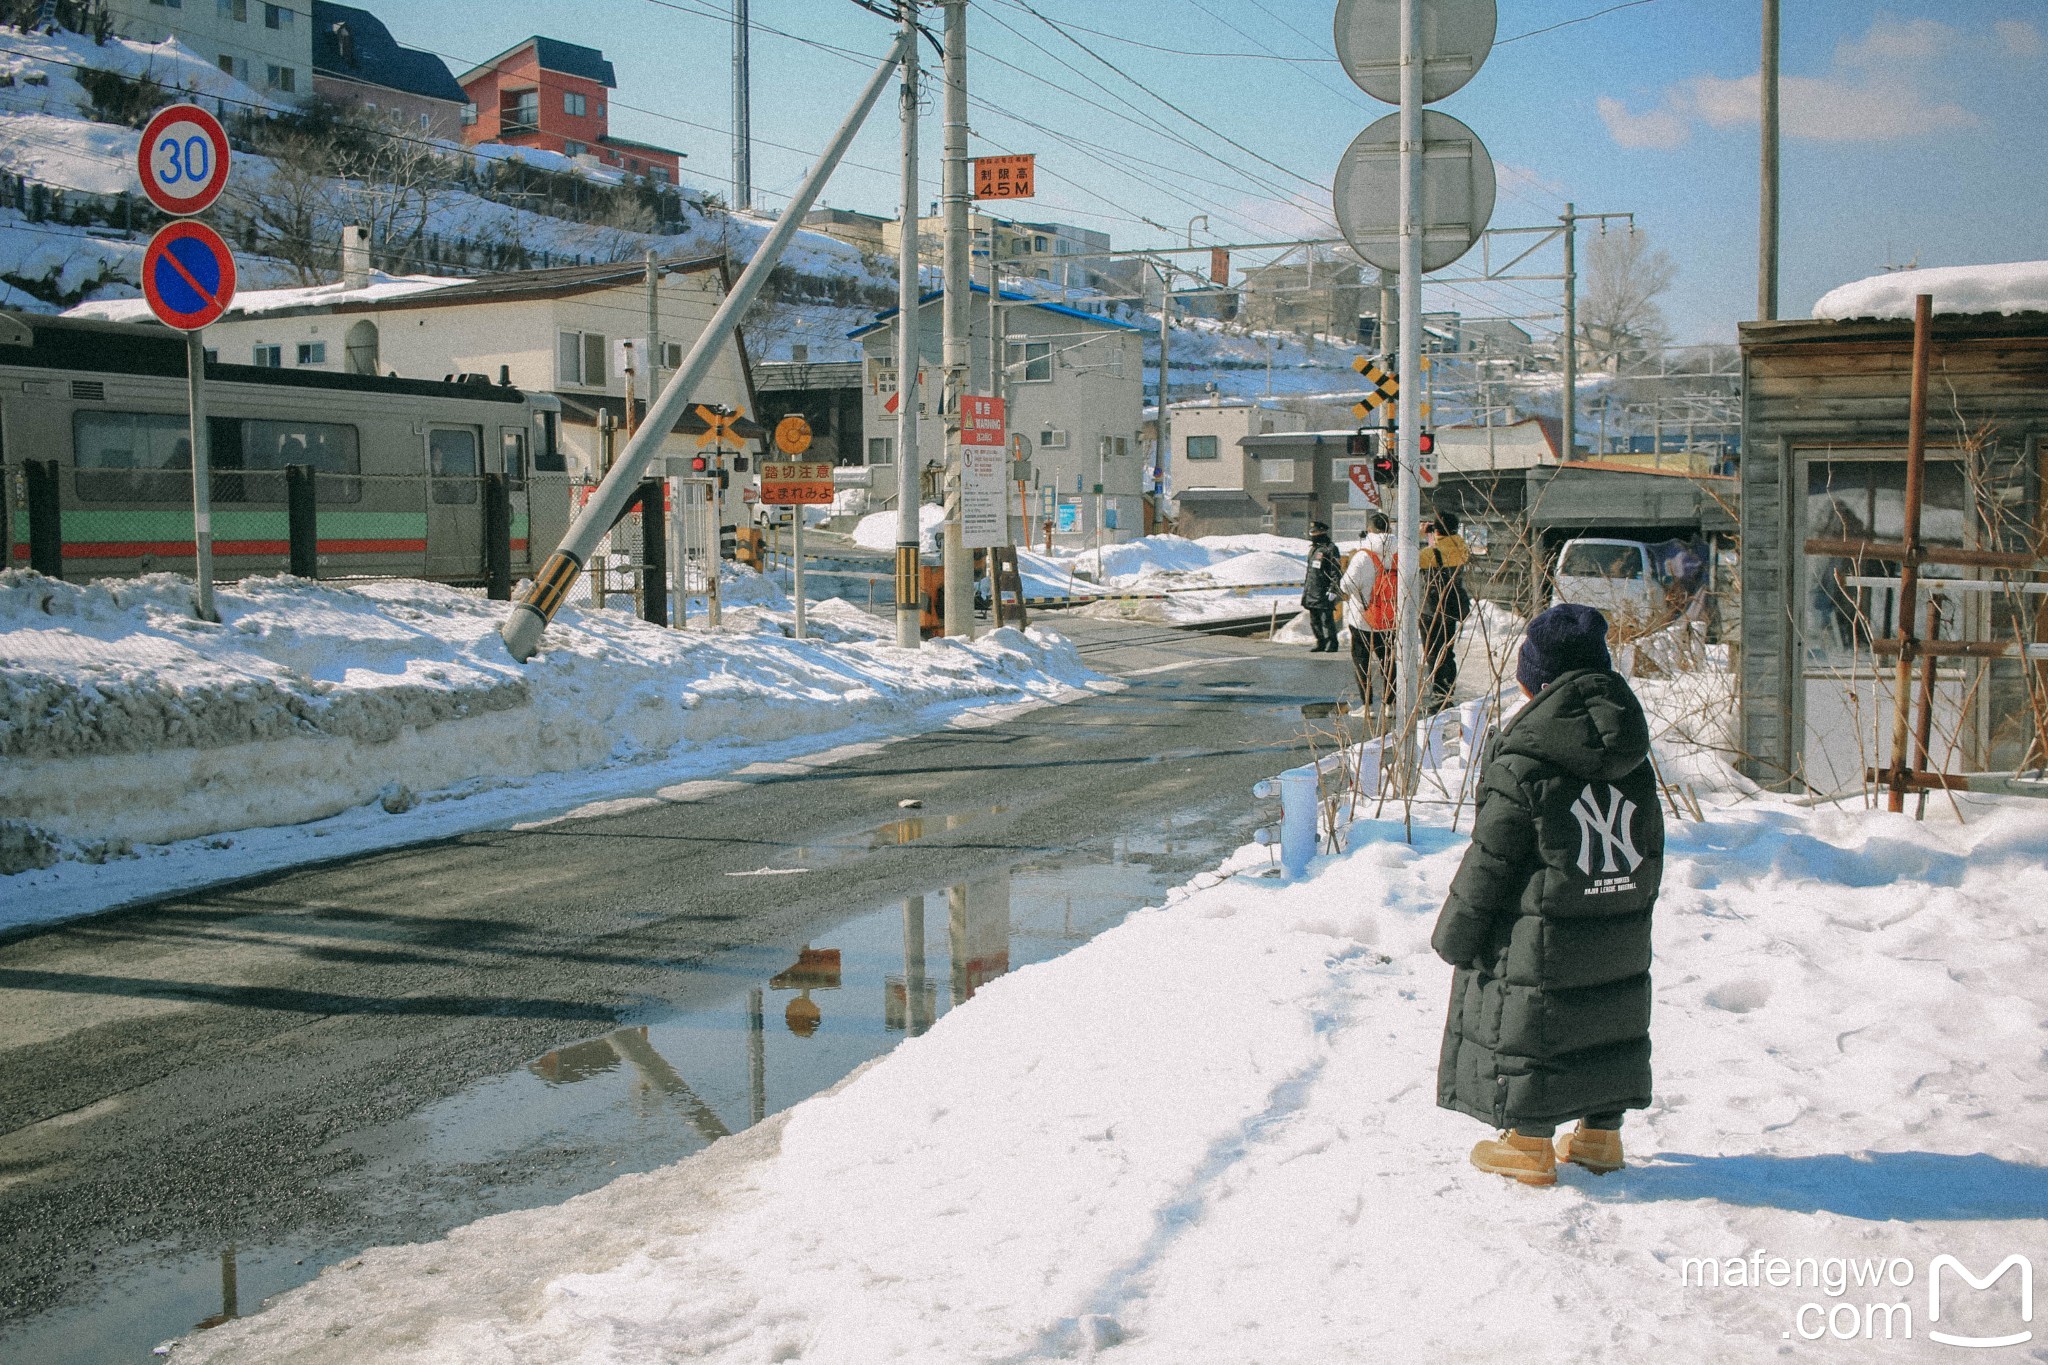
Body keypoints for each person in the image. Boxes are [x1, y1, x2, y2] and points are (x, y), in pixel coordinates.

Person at [1432, 604, 1664, 1187]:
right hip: (1615, 913)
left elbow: (1492, 859)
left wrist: (1456, 933)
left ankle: (1530, 1144)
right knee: (1607, 1015)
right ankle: (1600, 1137)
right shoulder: (1632, 756)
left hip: (1543, 925)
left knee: (1534, 1013)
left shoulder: (1528, 757)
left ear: (1533, 679)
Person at [1338, 513, 1397, 719]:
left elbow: (1346, 585)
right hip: (1390, 618)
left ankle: (1367, 706)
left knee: (1362, 661)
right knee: (1388, 661)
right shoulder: (1399, 551)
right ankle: (1390, 705)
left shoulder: (1363, 556)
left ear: (1370, 530)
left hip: (1364, 618)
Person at [1419, 510, 1472, 713]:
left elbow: (1409, 559)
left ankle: (1439, 697)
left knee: (1433, 653)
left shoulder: (1429, 554)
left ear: (1437, 529)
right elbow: (1441, 548)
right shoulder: (1460, 546)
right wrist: (1433, 534)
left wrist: (1420, 535)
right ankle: (1447, 692)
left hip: (1432, 609)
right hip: (1451, 606)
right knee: (1446, 651)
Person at [1299, 521, 1344, 653]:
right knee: (1314, 621)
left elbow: (1335, 571)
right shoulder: (1314, 549)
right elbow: (1310, 572)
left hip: (1324, 590)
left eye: (1315, 532)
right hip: (1312, 590)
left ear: (1322, 532)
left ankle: (1332, 643)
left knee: (1326, 620)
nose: (1313, 535)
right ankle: (1321, 642)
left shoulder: (1330, 549)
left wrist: (1333, 589)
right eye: (1311, 532)